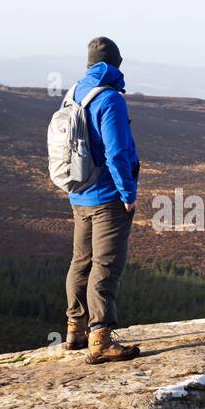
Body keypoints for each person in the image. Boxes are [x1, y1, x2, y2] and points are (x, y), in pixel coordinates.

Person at [64, 37, 141, 363]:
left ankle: (75, 329)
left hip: (79, 193)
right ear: (115, 64)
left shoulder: (74, 93)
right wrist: (128, 194)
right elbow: (117, 152)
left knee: (80, 261)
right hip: (108, 197)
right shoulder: (110, 99)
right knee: (105, 266)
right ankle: (101, 339)